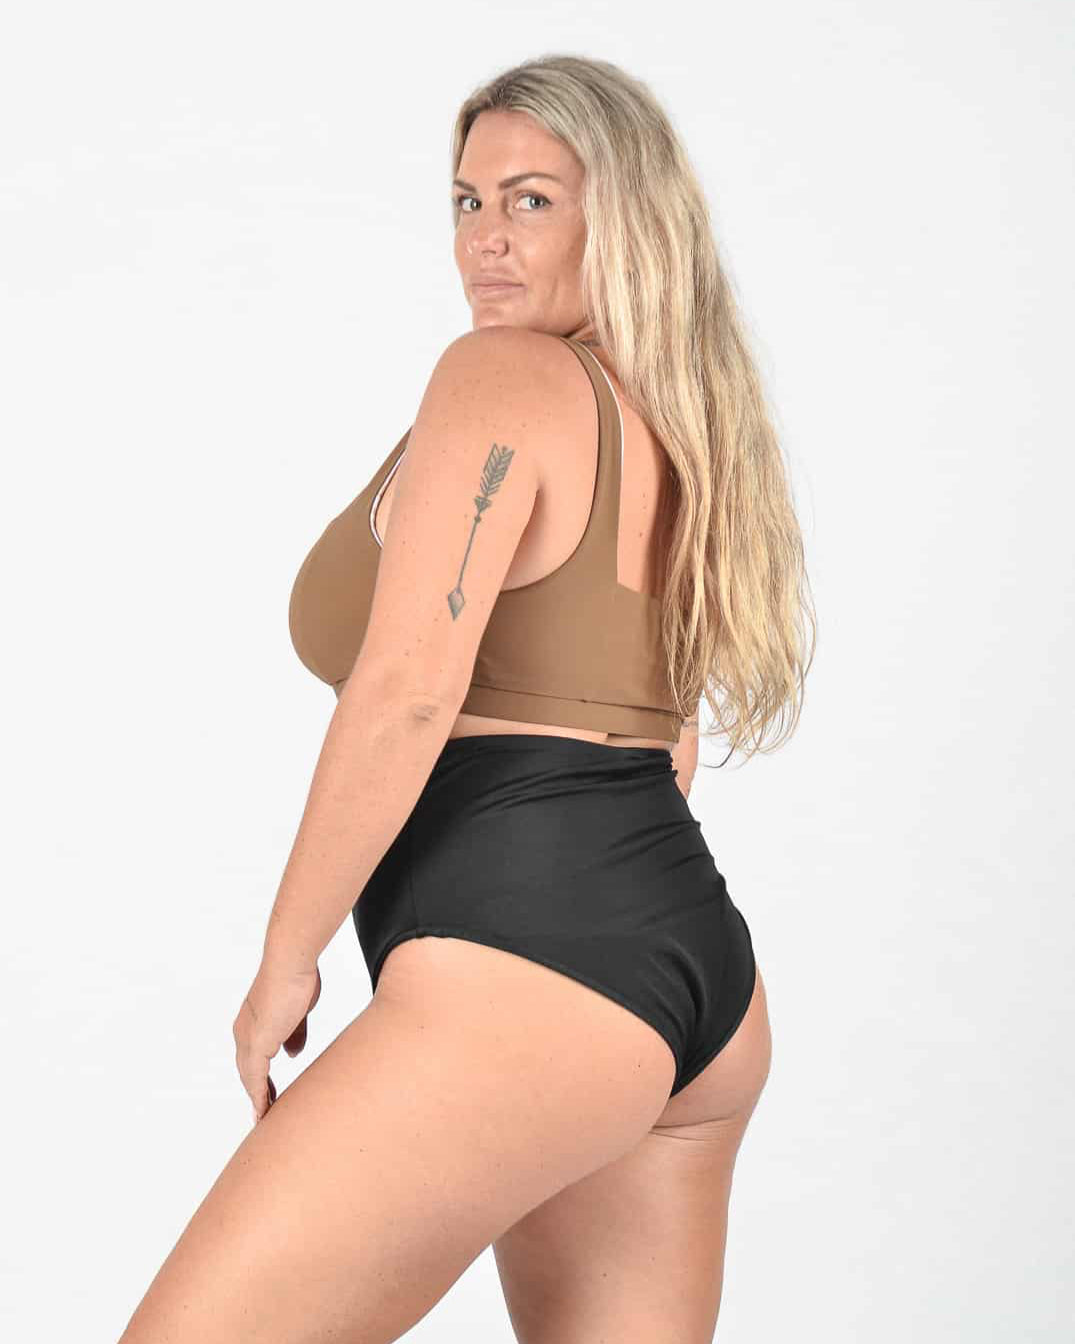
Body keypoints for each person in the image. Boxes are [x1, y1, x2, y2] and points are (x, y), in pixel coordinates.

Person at [119, 53, 815, 1344]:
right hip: (689, 981)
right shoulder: (683, 424)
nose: (485, 238)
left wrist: (285, 959)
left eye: (531, 200)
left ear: (625, 216)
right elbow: (668, 750)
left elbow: (405, 692)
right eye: (465, 201)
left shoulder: (500, 381)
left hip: (532, 963)